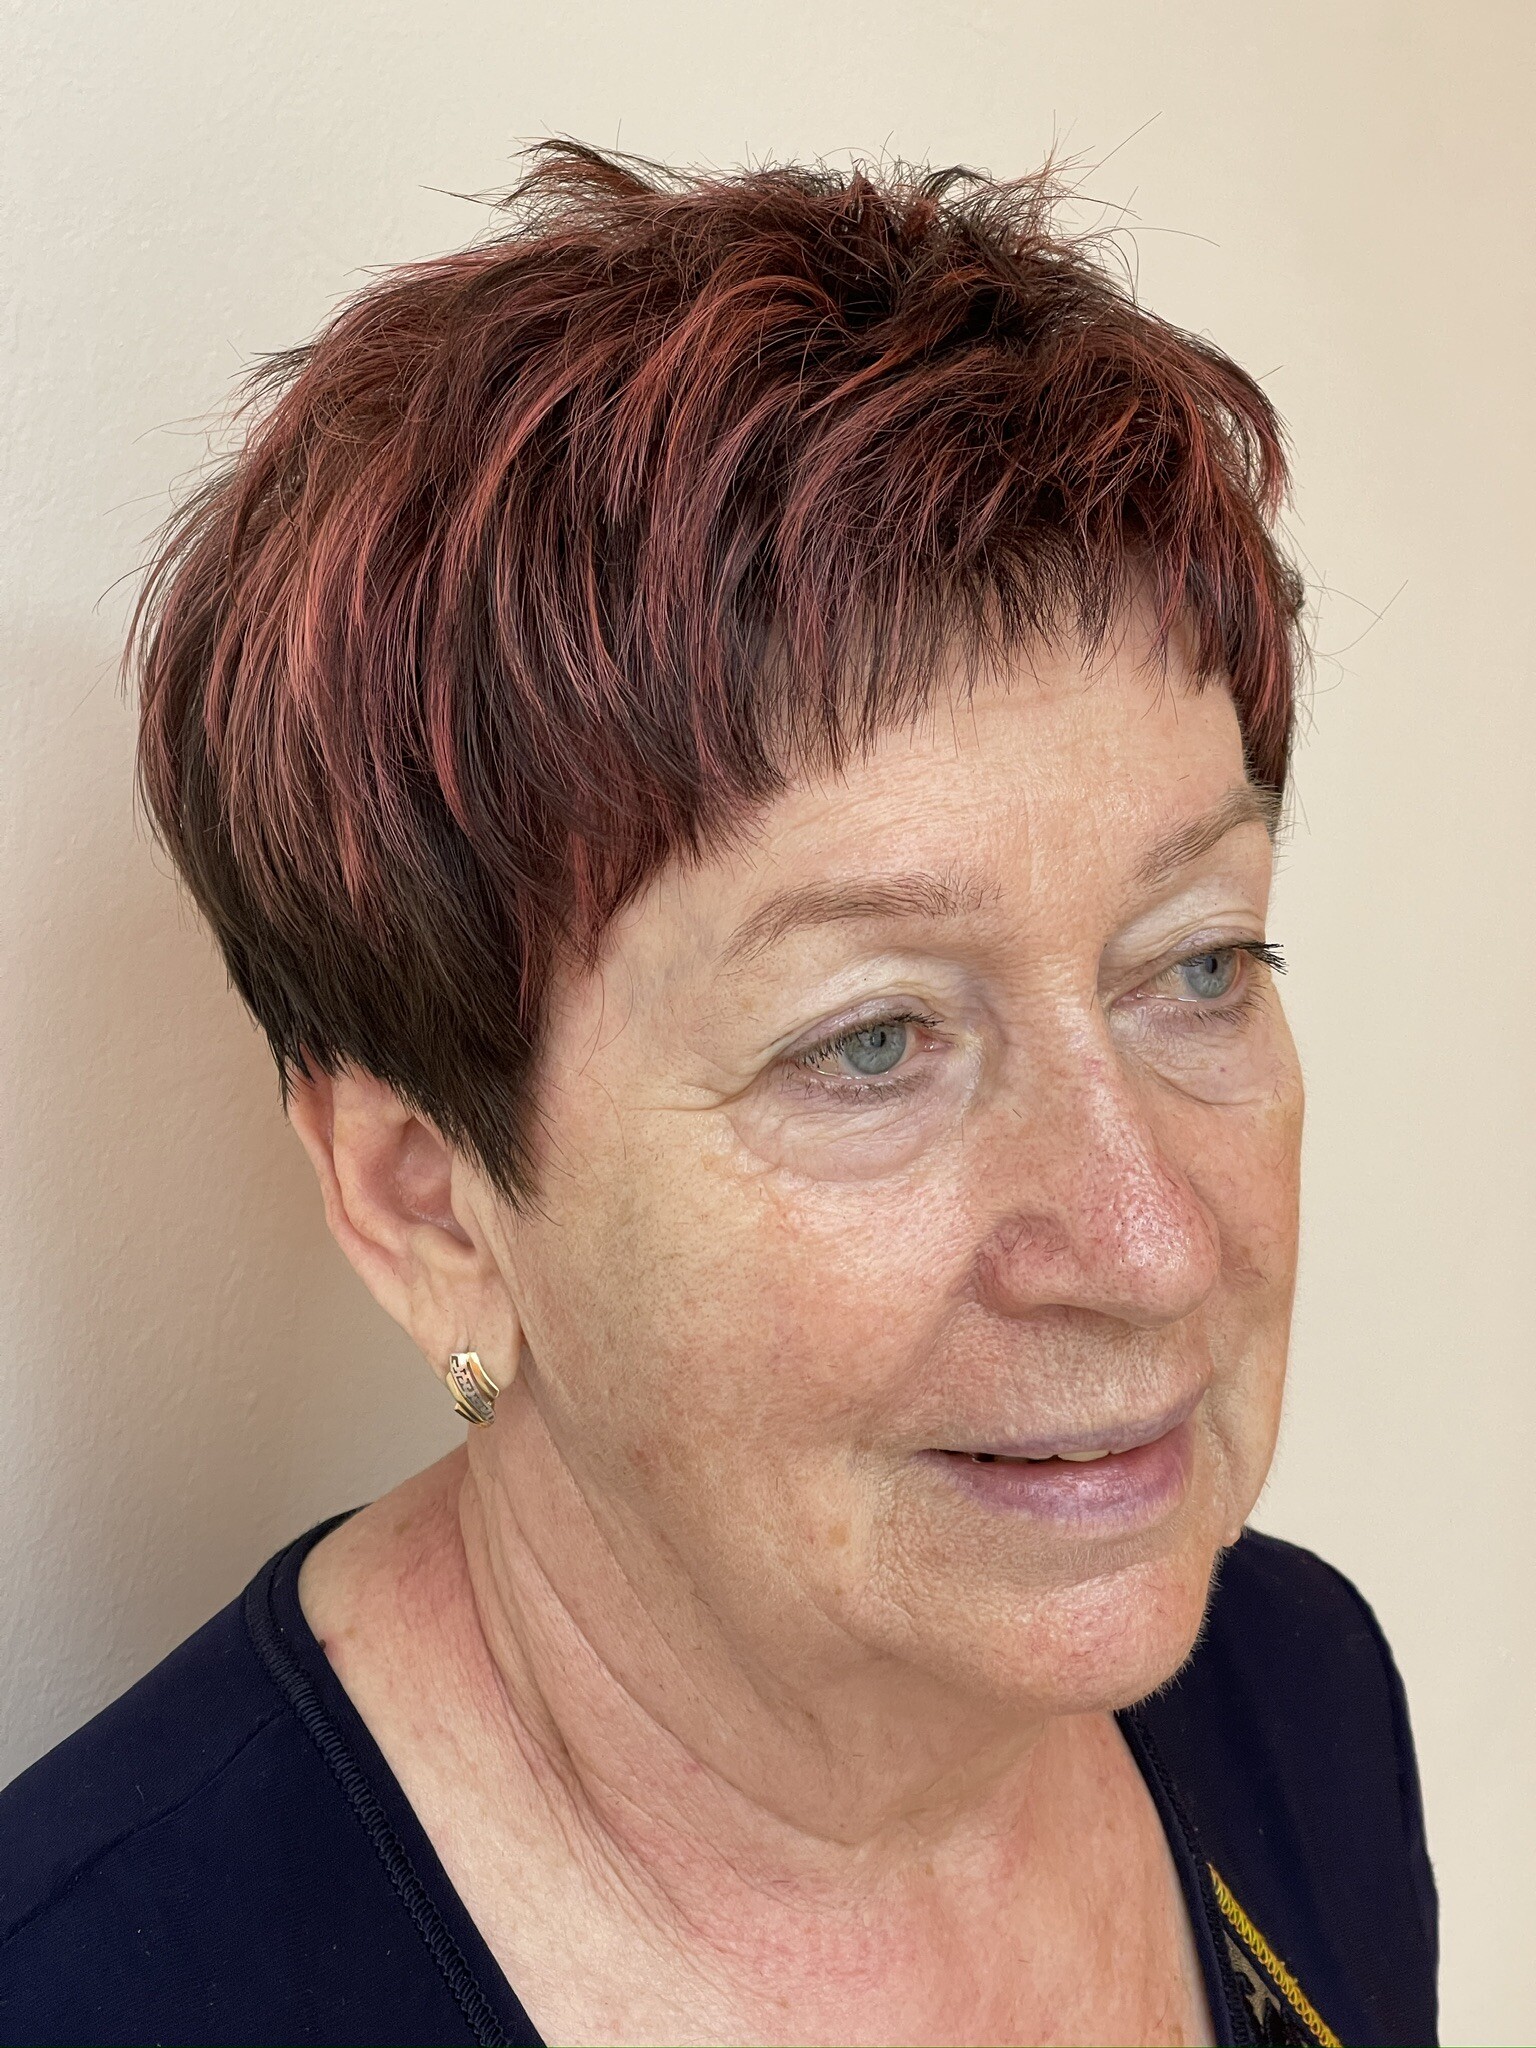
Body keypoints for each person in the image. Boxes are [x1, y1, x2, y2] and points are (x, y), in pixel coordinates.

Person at [0, 145, 1436, 2048]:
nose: (1153, 1245)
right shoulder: (97, 1994)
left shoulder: (1299, 1694)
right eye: (870, 1042)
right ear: (432, 1204)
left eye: (1199, 965)